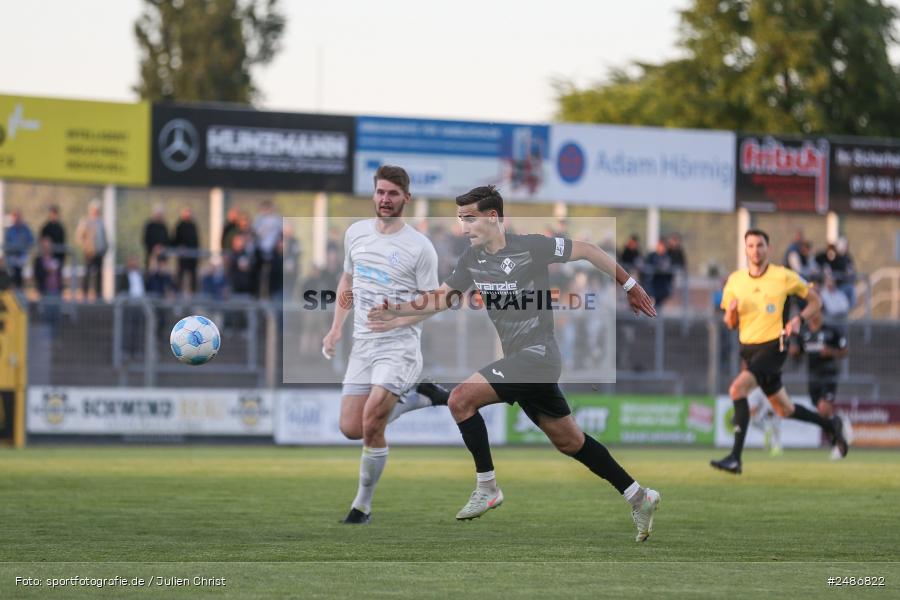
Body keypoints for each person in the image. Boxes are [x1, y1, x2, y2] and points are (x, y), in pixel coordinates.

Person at [369, 185, 661, 542]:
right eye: (461, 220)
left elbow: (586, 250)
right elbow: (442, 298)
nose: (464, 228)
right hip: (521, 363)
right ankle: (638, 496)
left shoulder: (530, 247)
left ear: (492, 217)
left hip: (539, 355)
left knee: (461, 399)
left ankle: (487, 486)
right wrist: (395, 312)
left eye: (469, 219)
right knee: (570, 442)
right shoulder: (472, 260)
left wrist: (629, 284)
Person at [321, 165, 449, 525]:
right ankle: (417, 397)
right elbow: (347, 279)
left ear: (406, 197)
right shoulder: (356, 234)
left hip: (400, 347)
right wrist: (335, 330)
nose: (385, 199)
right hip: (362, 346)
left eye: (393, 193)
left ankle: (361, 506)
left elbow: (434, 301)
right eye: (380, 192)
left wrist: (398, 318)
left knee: (373, 421)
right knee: (352, 428)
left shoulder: (420, 247)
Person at [711, 229, 848, 475]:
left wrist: (799, 320)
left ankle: (735, 457)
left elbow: (815, 301)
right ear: (745, 249)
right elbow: (730, 323)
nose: (755, 250)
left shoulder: (783, 276)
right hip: (749, 351)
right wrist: (731, 312)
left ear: (769, 248)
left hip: (775, 346)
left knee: (736, 389)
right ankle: (832, 426)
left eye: (760, 245)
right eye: (751, 246)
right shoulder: (735, 281)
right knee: (785, 410)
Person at [789, 311, 850, 460]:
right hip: (813, 377)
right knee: (823, 414)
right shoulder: (804, 334)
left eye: (817, 313)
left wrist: (831, 352)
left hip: (829, 375)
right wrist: (795, 353)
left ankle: (838, 443)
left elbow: (844, 351)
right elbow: (799, 353)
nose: (815, 316)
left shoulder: (831, 331)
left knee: (824, 407)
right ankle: (838, 432)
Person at [75, 200, 107, 300]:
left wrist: (105, 248)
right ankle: (84, 295)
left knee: (99, 275)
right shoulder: (86, 221)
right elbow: (79, 236)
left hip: (99, 253)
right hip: (89, 253)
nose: (96, 211)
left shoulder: (101, 222)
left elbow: (104, 237)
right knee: (87, 274)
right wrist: (86, 247)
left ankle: (98, 295)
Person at [4, 209, 34, 289]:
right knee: (13, 273)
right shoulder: (10, 230)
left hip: (23, 256)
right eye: (15, 217)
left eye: (18, 217)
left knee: (20, 272)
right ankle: (14, 288)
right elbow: (7, 244)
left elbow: (31, 241)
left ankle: (20, 289)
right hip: (12, 257)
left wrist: (26, 248)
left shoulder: (26, 229)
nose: (17, 219)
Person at [172, 207, 199, 295]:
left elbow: (196, 241)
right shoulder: (179, 226)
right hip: (183, 257)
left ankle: (193, 292)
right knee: (181, 274)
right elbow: (175, 240)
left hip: (192, 257)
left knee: (193, 275)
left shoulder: (193, 225)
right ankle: (178, 291)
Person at [39, 205, 67, 272]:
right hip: (48, 257)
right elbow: (42, 241)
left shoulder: (60, 228)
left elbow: (62, 242)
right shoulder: (46, 227)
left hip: (58, 257)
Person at [143, 204, 170, 270]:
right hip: (151, 255)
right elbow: (146, 239)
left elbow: (167, 239)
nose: (159, 216)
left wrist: (162, 247)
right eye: (158, 214)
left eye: (161, 214)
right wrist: (154, 248)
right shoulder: (150, 226)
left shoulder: (164, 226)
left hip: (162, 256)